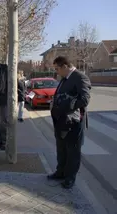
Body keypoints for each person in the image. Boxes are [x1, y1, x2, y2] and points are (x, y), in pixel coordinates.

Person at [48, 56, 91, 189]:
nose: (56, 72)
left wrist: (67, 104)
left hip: (74, 123)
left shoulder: (80, 77)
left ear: (65, 66)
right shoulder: (63, 79)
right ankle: (60, 172)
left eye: (57, 69)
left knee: (72, 151)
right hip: (61, 121)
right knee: (61, 149)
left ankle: (70, 178)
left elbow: (84, 99)